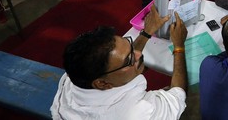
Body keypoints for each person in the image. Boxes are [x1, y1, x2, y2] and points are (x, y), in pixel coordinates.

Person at [51, 7, 189, 120]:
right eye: (129, 60)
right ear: (102, 83)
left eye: (128, 43)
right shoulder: (138, 113)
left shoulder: (77, 72)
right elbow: (179, 94)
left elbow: (120, 61)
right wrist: (179, 45)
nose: (139, 54)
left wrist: (147, 32)